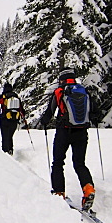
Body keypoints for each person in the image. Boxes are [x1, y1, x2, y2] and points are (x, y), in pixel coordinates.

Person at [39, 68, 100, 209]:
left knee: (58, 162)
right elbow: (95, 113)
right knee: (80, 163)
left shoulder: (59, 92)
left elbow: (49, 112)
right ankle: (88, 188)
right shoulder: (83, 91)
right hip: (82, 132)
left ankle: (59, 193)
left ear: (62, 80)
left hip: (64, 132)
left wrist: (44, 122)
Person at [0, 82, 26, 155]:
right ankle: (10, 150)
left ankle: (5, 153)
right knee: (10, 136)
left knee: (5, 136)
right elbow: (22, 110)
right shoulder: (16, 96)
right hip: (14, 120)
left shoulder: (3, 97)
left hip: (5, 120)